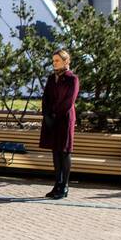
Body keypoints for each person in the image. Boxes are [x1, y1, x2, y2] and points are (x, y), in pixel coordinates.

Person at [40, 49, 80, 199]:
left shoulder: (72, 79)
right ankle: (57, 184)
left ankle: (64, 186)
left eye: (57, 60)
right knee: (55, 153)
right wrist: (47, 114)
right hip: (52, 119)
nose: (54, 63)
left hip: (64, 119)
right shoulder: (52, 78)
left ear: (66, 61)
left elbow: (69, 101)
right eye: (53, 60)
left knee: (64, 152)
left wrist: (55, 114)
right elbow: (46, 98)